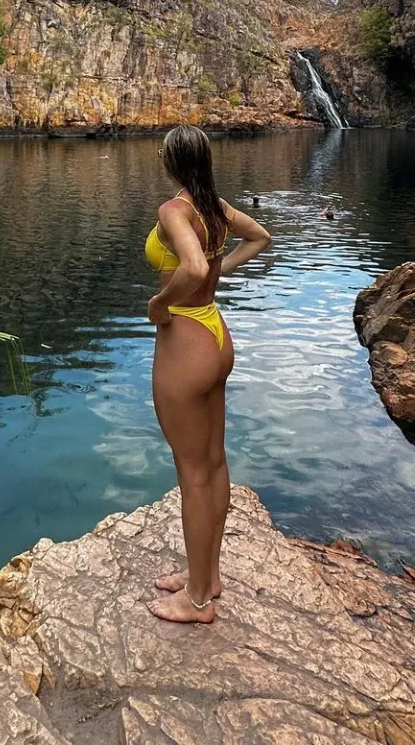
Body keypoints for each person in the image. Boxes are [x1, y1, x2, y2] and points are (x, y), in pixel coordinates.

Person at [144, 125, 271, 623]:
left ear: (169, 160)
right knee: (214, 464)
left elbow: (194, 268)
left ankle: (196, 601)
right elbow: (259, 237)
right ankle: (207, 575)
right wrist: (229, 268)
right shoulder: (215, 208)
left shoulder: (174, 212)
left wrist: (160, 303)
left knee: (193, 475)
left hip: (187, 344)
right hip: (217, 334)